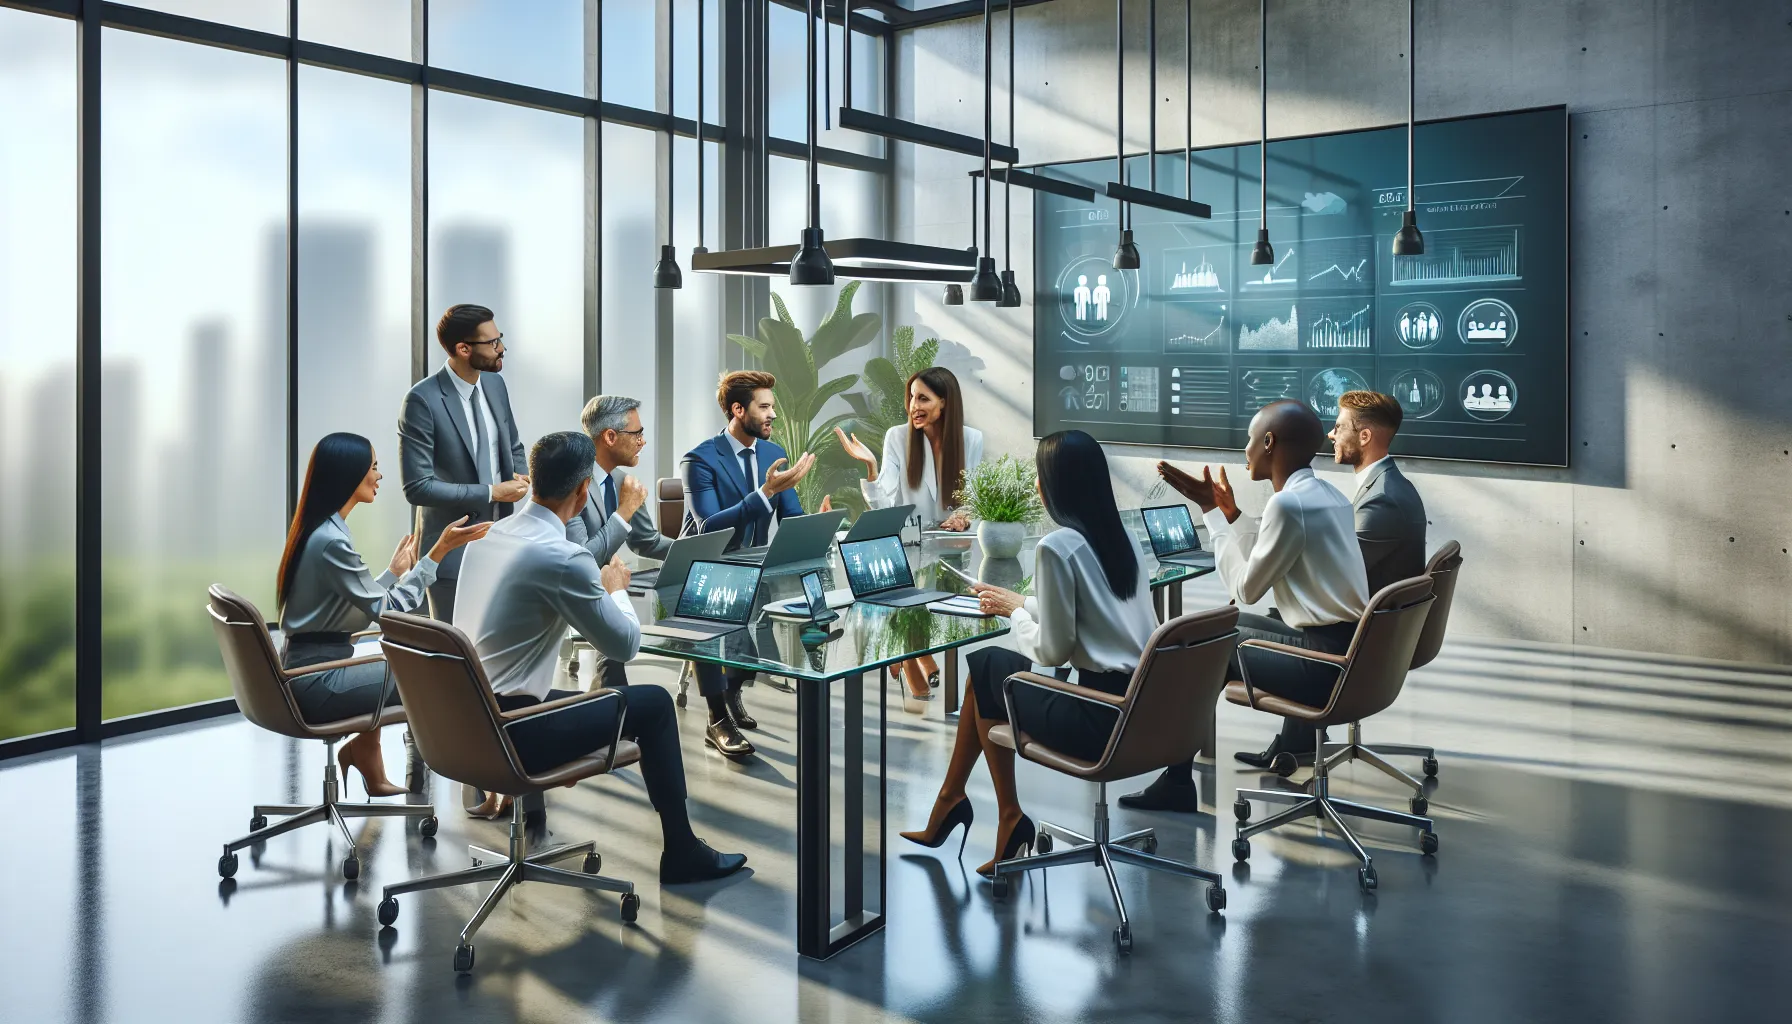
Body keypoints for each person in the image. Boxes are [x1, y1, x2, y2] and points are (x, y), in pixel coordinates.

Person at [452, 430, 748, 884]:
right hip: (513, 732)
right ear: (583, 488)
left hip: (464, 720)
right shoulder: (563, 556)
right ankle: (683, 851)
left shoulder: (486, 539)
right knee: (652, 705)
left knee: (607, 699)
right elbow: (623, 645)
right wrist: (616, 591)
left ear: (533, 480)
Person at [900, 430, 1159, 877]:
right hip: (1140, 711)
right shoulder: (1122, 539)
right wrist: (1019, 602)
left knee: (988, 668)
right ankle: (958, 802)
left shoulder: (1057, 545)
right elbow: (1100, 619)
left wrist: (1015, 619)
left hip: (1096, 721)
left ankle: (996, 813)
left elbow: (1050, 649)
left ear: (1053, 485)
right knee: (988, 675)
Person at [1120, 399, 1369, 811]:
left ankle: (1175, 779)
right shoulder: (1328, 495)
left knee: (1199, 645)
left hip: (1323, 665)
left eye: (1250, 439)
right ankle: (1177, 775)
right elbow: (1273, 552)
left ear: (1269, 442)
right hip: (1347, 652)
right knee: (1208, 631)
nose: (1246, 449)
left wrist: (1210, 512)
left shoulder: (1288, 504)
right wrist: (1228, 512)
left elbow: (1245, 588)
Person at [276, 432, 489, 796]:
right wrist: (436, 554)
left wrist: (393, 573)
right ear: (350, 474)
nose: (379, 476)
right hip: (316, 681)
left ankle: (366, 754)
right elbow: (387, 612)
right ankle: (476, 773)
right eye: (373, 467)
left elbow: (351, 603)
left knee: (395, 660)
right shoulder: (331, 540)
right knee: (430, 673)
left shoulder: (321, 530)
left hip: (309, 666)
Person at [679, 370, 828, 760]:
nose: (772, 415)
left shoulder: (770, 452)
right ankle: (716, 719)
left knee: (781, 605)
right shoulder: (699, 460)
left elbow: (792, 516)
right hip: (706, 567)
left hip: (753, 566)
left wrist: (817, 524)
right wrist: (765, 493)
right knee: (710, 616)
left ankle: (732, 690)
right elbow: (708, 524)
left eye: (772, 407)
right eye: (764, 407)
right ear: (737, 409)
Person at [835, 366, 984, 707]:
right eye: (911, 398)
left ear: (944, 403)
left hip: (951, 548)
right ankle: (921, 661)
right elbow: (885, 500)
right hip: (904, 545)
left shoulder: (971, 439)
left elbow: (972, 494)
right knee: (911, 596)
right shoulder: (897, 437)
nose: (913, 406)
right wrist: (871, 469)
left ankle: (908, 659)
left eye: (923, 399)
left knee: (945, 607)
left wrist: (964, 515)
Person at [397, 303, 529, 623]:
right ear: (463, 349)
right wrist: (491, 492)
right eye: (492, 343)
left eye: (500, 339)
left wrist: (523, 475)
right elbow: (417, 487)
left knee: (494, 654)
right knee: (453, 657)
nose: (501, 349)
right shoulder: (422, 400)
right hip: (451, 555)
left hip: (502, 547)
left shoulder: (495, 384)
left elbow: (512, 443)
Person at [569, 394, 672, 689]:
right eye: (636, 433)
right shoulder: (575, 481)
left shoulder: (621, 480)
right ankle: (611, 703)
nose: (643, 441)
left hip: (613, 582)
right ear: (610, 436)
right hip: (579, 586)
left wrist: (691, 550)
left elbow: (646, 541)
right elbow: (584, 559)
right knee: (613, 631)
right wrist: (625, 508)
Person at [1333, 390, 1427, 594]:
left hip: (1361, 623)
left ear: (1364, 436)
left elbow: (1337, 575)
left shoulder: (1382, 499)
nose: (1331, 435)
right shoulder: (1390, 483)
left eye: (1338, 427)